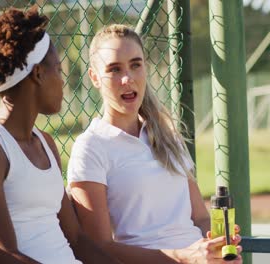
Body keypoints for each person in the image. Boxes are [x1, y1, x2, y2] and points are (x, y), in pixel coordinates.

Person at [67, 24, 242, 264]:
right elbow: (99, 249)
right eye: (114, 69)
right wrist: (182, 258)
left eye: (135, 65)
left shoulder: (167, 135)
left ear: (145, 68)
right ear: (95, 77)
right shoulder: (91, 147)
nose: (127, 78)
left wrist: (218, 246)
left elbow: (200, 219)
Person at [0, 7, 120, 264]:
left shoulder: (46, 143)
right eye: (58, 69)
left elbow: (76, 238)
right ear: (38, 73)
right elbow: (2, 253)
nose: (62, 80)